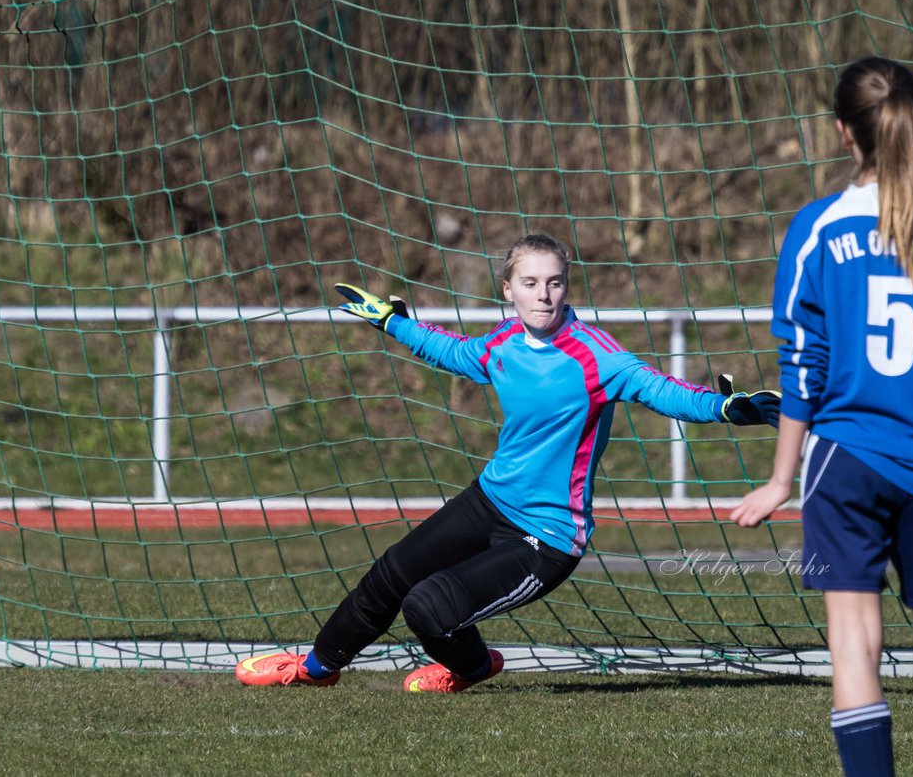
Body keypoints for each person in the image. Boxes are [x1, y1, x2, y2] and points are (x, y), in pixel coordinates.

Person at [236, 232, 779, 692]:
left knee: (427, 607)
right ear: (508, 290)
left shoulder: (598, 356)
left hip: (545, 536)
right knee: (391, 575)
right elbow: (452, 351)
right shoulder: (505, 344)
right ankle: (314, 668)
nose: (543, 295)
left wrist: (724, 406)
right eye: (530, 283)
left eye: (554, 282)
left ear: (567, 287)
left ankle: (472, 666)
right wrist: (391, 323)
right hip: (489, 500)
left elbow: (661, 389)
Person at [730, 57, 913, 776]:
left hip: (848, 458)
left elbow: (804, 366)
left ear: (843, 132)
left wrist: (781, 478)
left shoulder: (815, 230)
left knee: (853, 642)